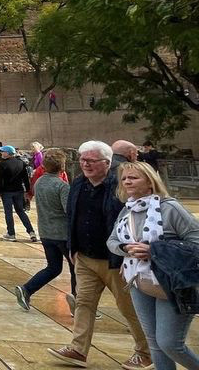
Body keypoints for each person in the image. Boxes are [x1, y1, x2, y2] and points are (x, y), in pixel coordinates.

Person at [48, 141, 151, 370]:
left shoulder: (121, 186)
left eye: (91, 160)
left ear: (107, 162)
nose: (85, 164)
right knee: (83, 303)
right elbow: (72, 214)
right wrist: (72, 247)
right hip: (85, 257)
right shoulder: (78, 184)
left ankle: (146, 352)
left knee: (128, 308)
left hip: (115, 260)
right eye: (83, 159)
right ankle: (78, 349)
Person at [108, 162, 199, 370]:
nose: (127, 182)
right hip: (139, 282)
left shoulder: (170, 208)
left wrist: (154, 250)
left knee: (170, 343)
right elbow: (111, 241)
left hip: (172, 282)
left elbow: (196, 241)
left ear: (150, 181)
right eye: (124, 179)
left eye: (133, 177)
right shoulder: (127, 210)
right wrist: (125, 248)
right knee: (154, 343)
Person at [15, 149, 76, 311]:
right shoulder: (62, 186)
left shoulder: (39, 182)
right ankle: (79, 303)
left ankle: (27, 289)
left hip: (46, 232)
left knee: (53, 267)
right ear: (62, 167)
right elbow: (68, 211)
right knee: (76, 267)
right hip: (62, 234)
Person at [0, 145, 38, 243]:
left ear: (8, 153)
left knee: (8, 212)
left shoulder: (3, 164)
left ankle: (11, 233)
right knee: (21, 211)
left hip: (7, 192)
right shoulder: (21, 163)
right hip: (19, 191)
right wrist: (28, 191)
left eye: (3, 152)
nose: (1, 153)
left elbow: (0, 180)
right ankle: (31, 232)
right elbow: (25, 178)